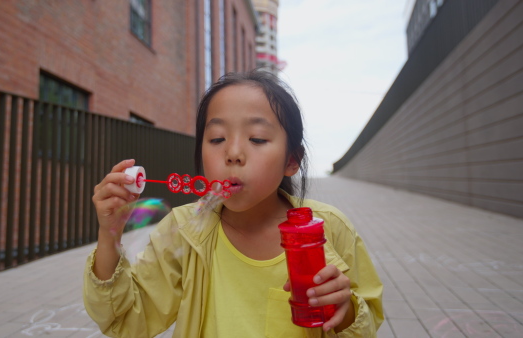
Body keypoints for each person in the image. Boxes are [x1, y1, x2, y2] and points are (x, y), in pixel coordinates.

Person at [84, 71, 384, 337]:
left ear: (291, 160)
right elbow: (126, 323)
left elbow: (369, 321)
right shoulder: (183, 230)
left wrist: (345, 313)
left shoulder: (330, 228)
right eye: (216, 139)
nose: (234, 153)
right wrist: (109, 236)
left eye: (256, 138)